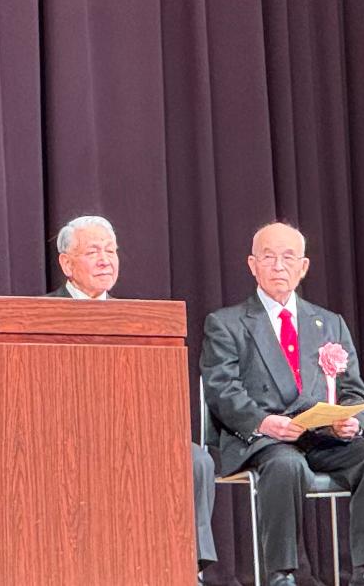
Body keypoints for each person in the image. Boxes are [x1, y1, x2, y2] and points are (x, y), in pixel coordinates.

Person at [200, 222, 364, 586]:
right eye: (268, 257)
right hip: (266, 440)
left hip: (325, 437)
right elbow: (222, 389)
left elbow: (354, 390)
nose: (278, 266)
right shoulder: (226, 324)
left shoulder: (329, 323)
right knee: (286, 465)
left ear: (304, 266)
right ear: (252, 265)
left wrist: (353, 420)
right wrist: (263, 422)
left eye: (288, 257)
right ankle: (283, 573)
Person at [47, 215, 217, 576]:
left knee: (196, 460)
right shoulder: (43, 314)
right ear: (66, 263)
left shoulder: (139, 318)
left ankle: (190, 566)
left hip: (132, 430)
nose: (105, 259)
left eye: (111, 251)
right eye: (93, 251)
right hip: (65, 434)